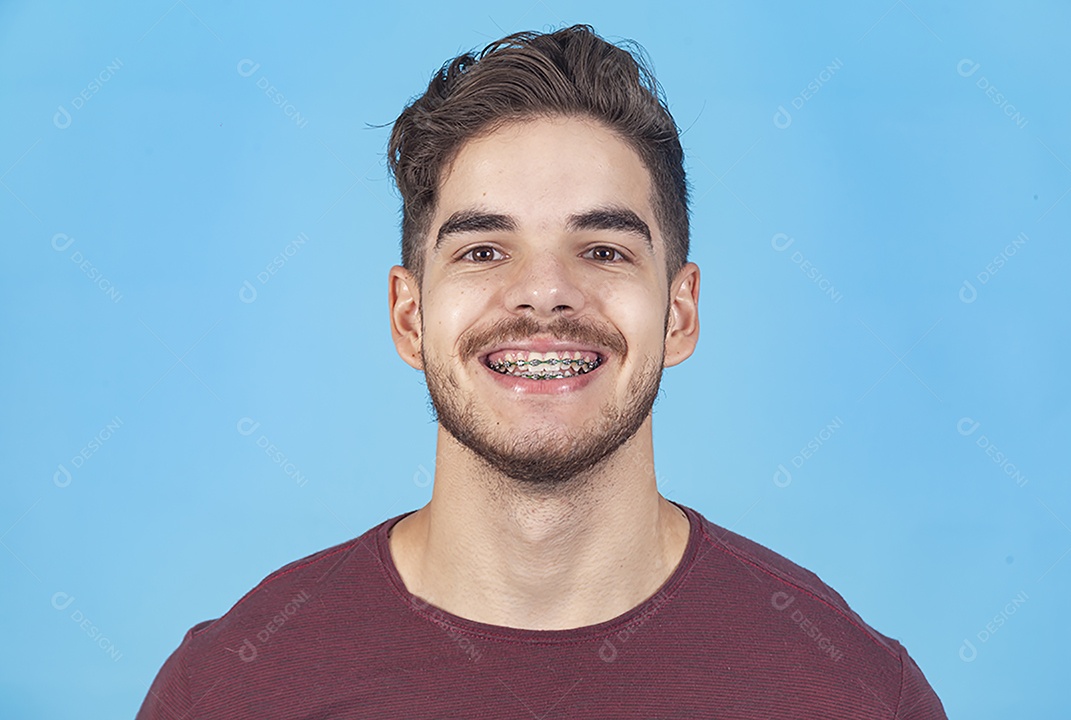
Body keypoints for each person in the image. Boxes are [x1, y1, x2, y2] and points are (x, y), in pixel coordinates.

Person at [137, 25, 947, 718]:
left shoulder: (852, 691)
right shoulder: (233, 690)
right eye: (484, 250)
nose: (544, 294)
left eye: (603, 250)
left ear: (679, 312)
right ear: (409, 316)